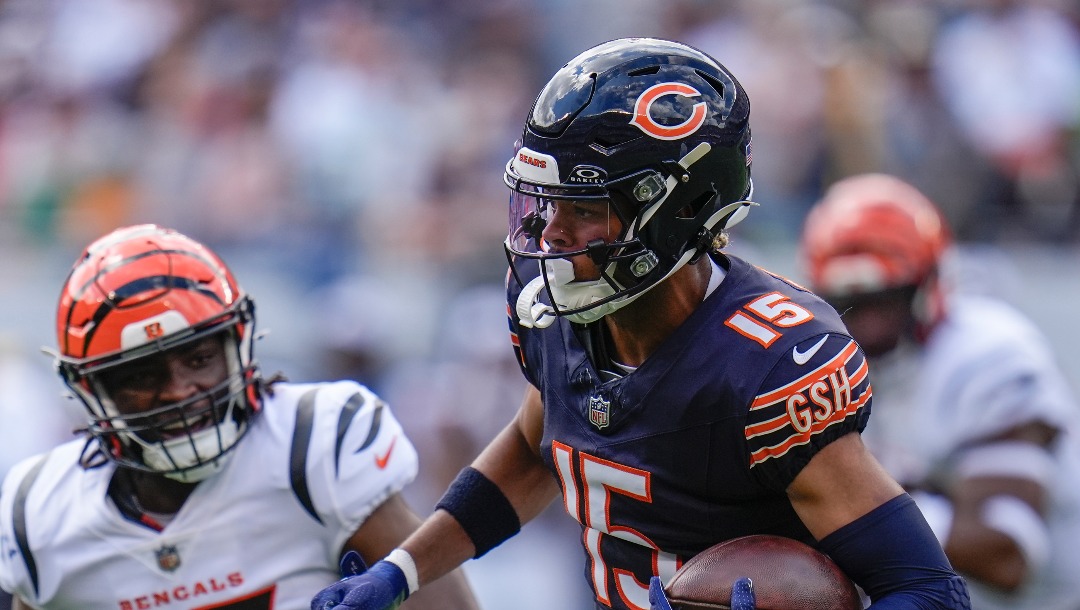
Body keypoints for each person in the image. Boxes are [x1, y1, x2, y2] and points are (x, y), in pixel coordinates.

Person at [311, 37, 971, 610]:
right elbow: (536, 450)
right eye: (546, 204)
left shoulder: (766, 367)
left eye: (584, 208)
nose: (552, 234)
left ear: (682, 209)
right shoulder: (559, 314)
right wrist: (401, 571)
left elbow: (930, 591)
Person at [0, 224, 479, 610]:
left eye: (199, 358)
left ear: (238, 346)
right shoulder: (42, 513)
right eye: (143, 374)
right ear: (93, 389)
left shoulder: (312, 446)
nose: (180, 390)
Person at [800, 173, 1080, 610]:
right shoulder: (826, 368)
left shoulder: (988, 357)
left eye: (885, 299)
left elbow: (1007, 555)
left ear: (928, 285)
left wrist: (861, 501)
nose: (867, 325)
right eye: (850, 304)